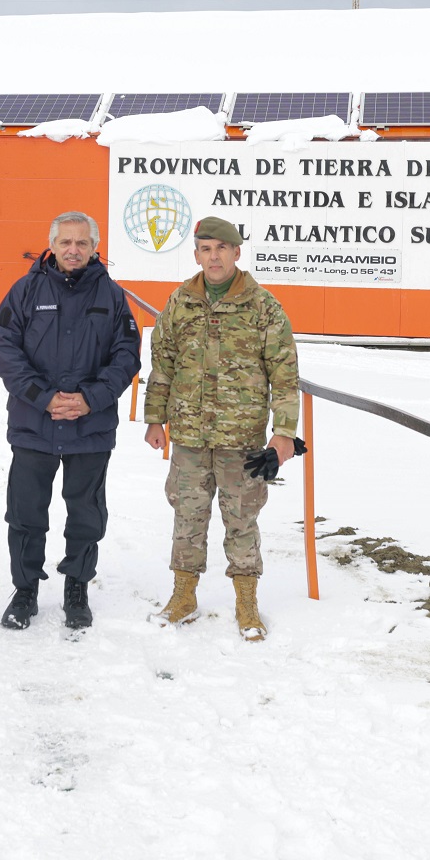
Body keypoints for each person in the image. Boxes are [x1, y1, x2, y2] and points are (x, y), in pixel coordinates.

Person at [142, 216, 300, 642]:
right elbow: (164, 363)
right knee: (187, 517)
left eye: (221, 249)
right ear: (197, 255)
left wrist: (284, 431)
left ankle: (246, 602)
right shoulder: (180, 302)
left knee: (242, 520)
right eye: (205, 249)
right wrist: (155, 417)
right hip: (190, 437)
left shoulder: (263, 306)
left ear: (236, 253)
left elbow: (284, 374)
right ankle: (183, 596)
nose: (213, 257)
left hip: (242, 438)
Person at [0, 211, 141, 630]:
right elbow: (4, 350)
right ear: (52, 245)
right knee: (25, 513)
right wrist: (44, 397)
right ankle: (25, 591)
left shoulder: (111, 297)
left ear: (94, 248)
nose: (73, 250)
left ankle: (77, 585)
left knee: (87, 513)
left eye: (82, 243)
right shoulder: (24, 291)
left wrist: (90, 400)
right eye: (66, 242)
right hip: (33, 424)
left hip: (89, 428)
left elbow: (127, 355)